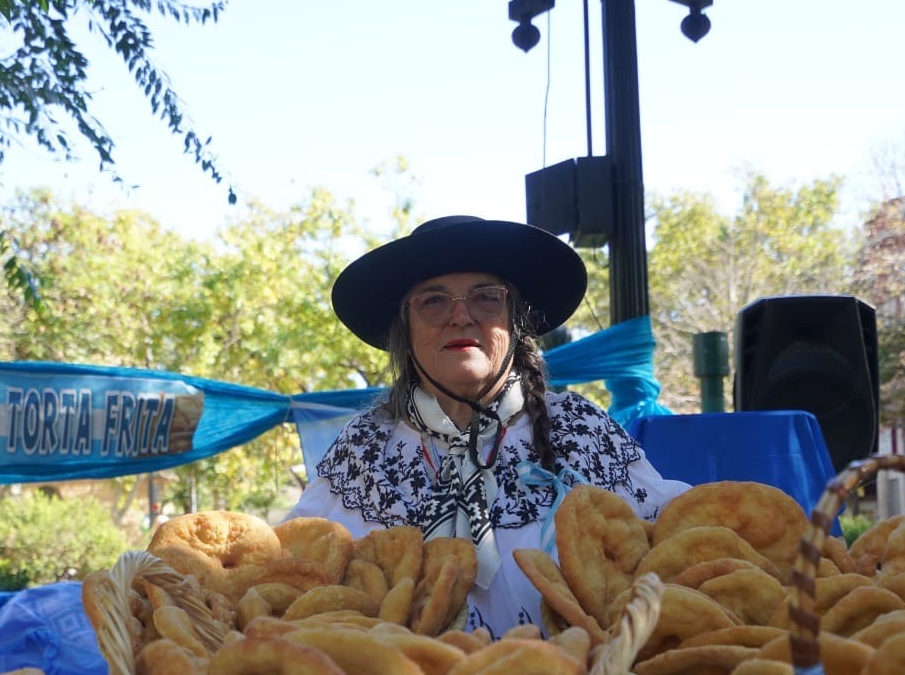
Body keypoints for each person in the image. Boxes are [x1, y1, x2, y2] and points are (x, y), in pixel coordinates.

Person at [286, 215, 689, 636]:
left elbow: (677, 542)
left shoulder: (578, 428)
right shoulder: (364, 447)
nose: (461, 316)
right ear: (406, 328)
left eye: (486, 298)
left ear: (516, 322)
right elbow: (296, 575)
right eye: (434, 301)